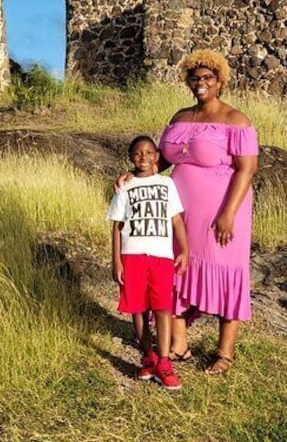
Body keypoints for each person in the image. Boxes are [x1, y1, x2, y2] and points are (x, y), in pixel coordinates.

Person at [119, 49, 258, 375]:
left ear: (220, 81)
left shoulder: (236, 121)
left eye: (207, 77)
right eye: (194, 78)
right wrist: (133, 173)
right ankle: (179, 344)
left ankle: (225, 353)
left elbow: (247, 170)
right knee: (176, 272)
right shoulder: (180, 117)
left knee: (225, 272)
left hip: (221, 212)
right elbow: (163, 160)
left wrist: (227, 214)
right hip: (179, 213)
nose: (200, 83)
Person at [108, 135, 189, 390]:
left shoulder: (167, 184)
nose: (143, 157)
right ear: (131, 157)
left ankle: (164, 362)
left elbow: (176, 219)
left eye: (148, 153)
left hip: (161, 256)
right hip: (132, 255)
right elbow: (117, 226)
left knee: (163, 307)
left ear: (157, 156)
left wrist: (184, 249)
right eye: (137, 153)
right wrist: (116, 261)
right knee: (139, 309)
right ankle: (148, 356)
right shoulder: (125, 187)